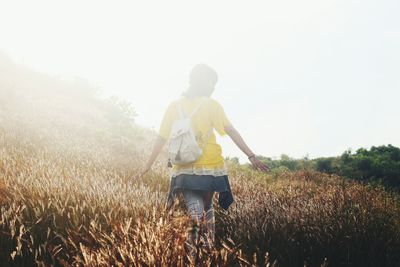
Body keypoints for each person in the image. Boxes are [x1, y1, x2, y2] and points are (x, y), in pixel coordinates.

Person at [135, 63, 269, 253]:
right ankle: (205, 251)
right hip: (211, 167)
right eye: (212, 83)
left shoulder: (174, 106)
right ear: (203, 82)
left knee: (196, 209)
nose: (213, 87)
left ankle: (194, 253)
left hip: (183, 167)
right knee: (206, 207)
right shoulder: (211, 105)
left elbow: (161, 137)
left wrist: (148, 165)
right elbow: (230, 130)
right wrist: (251, 155)